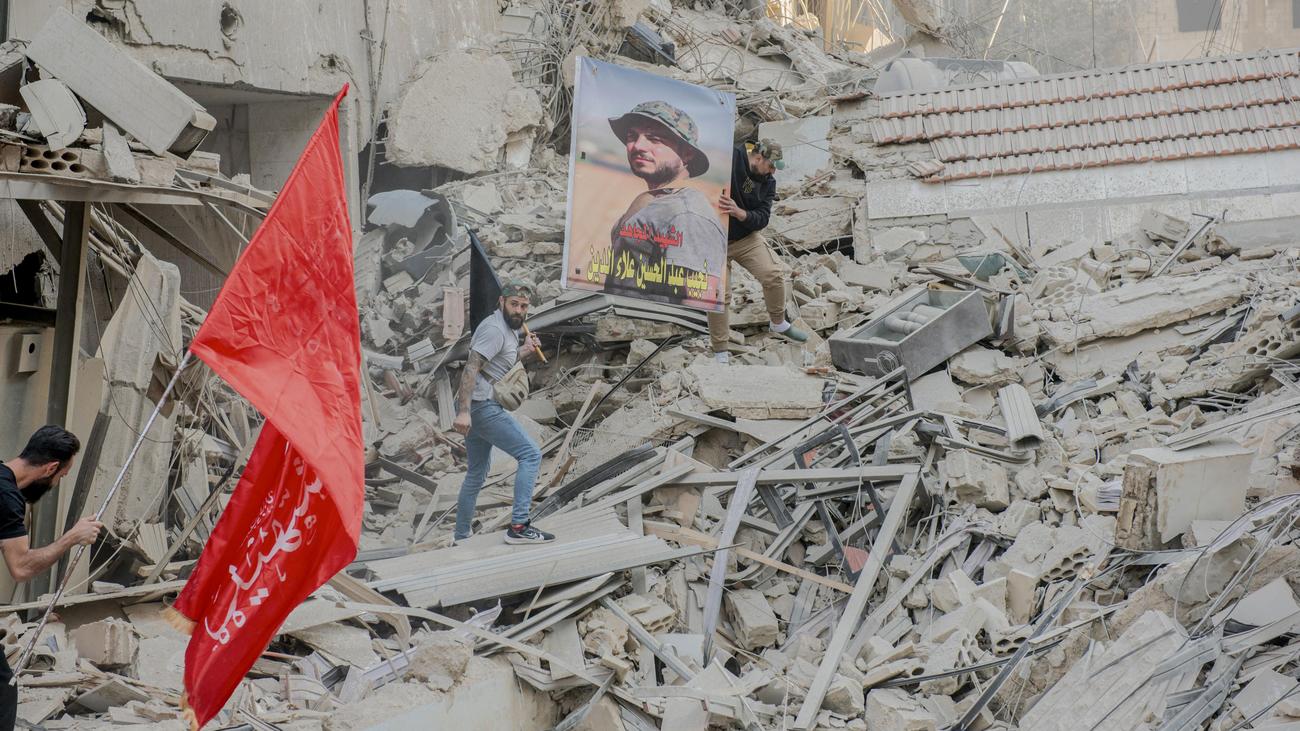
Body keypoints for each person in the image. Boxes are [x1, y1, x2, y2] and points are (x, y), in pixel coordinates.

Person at [0, 426, 102, 729]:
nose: (56, 483)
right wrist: (71, 537)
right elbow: (21, 568)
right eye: (61, 476)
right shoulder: (6, 497)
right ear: (50, 468)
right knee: (3, 693)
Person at [452, 280, 555, 545]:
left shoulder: (508, 329)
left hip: (478, 404)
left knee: (477, 472)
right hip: (480, 406)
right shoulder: (495, 330)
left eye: (523, 306)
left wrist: (525, 350)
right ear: (501, 302)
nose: (518, 310)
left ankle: (461, 536)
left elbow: (498, 363)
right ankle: (519, 526)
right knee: (530, 454)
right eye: (514, 304)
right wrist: (464, 412)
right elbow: (471, 368)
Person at [602, 100, 726, 304]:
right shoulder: (657, 200)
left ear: (687, 154)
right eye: (632, 136)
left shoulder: (688, 214)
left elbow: (700, 303)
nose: (638, 146)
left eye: (655, 139)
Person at [710, 138, 807, 363]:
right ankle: (720, 351)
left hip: (745, 238)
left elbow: (762, 218)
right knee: (719, 294)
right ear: (758, 157)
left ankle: (778, 323)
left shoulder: (768, 183)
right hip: (714, 238)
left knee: (773, 273)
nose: (773, 171)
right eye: (771, 165)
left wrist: (740, 213)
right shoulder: (732, 158)